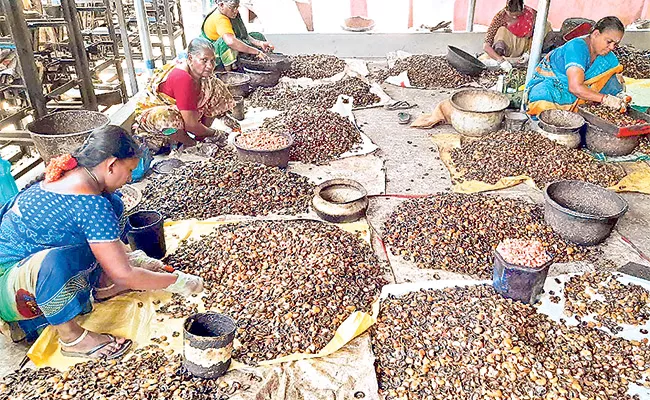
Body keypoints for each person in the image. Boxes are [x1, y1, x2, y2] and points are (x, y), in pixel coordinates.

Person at [0, 126, 203, 360]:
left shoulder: (78, 177)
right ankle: (72, 338)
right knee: (55, 262)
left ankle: (101, 285)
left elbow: (108, 248)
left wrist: (134, 259)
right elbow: (123, 275)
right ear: (111, 164)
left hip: (31, 262)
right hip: (11, 285)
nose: (129, 178)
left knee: (114, 205)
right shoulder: (90, 204)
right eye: (129, 170)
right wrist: (177, 281)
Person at [135, 37, 240, 153]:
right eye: (204, 60)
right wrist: (215, 133)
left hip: (187, 115)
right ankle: (190, 143)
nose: (210, 66)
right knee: (165, 117)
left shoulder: (202, 76)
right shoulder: (182, 78)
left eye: (213, 60)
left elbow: (215, 99)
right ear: (190, 58)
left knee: (215, 85)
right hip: (158, 125)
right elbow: (190, 125)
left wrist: (224, 118)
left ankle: (201, 137)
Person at [526, 16, 629, 117]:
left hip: (580, 95)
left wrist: (620, 96)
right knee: (543, 100)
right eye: (609, 42)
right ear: (596, 34)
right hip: (554, 90)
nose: (611, 47)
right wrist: (605, 99)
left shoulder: (608, 57)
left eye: (615, 44)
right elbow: (575, 87)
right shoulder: (576, 48)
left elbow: (611, 81)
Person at [201, 0, 274, 69]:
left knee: (258, 36)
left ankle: (262, 60)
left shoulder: (232, 14)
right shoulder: (220, 18)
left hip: (230, 41)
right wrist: (256, 51)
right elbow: (231, 42)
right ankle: (229, 73)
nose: (235, 11)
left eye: (237, 7)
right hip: (213, 51)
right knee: (227, 44)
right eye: (232, 8)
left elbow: (243, 34)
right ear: (221, 5)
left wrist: (260, 43)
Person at [483, 0, 551, 72]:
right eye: (512, 15)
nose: (515, 17)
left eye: (518, 15)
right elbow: (486, 46)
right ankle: (503, 57)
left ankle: (529, 54)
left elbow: (541, 32)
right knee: (502, 31)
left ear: (523, 9)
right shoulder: (500, 17)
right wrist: (501, 61)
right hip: (508, 50)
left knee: (546, 24)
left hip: (526, 48)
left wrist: (529, 53)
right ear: (506, 10)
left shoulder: (531, 14)